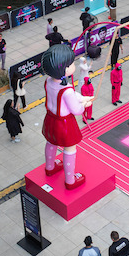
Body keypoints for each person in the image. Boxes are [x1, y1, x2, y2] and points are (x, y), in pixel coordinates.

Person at [41, 45, 93, 189]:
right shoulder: (67, 90)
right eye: (70, 64)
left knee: (51, 142)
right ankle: (70, 180)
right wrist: (85, 104)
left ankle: (50, 167)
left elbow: (64, 95)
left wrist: (81, 97)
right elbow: (76, 110)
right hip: (64, 123)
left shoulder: (48, 82)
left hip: (51, 118)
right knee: (70, 148)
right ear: (63, 69)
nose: (73, 65)